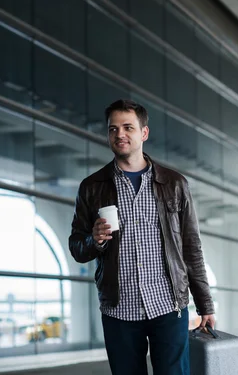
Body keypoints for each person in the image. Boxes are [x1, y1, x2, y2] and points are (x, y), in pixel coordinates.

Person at [69, 99, 215, 375]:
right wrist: (95, 239)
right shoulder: (92, 187)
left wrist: (204, 303)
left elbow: (191, 247)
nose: (119, 135)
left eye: (128, 128)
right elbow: (77, 247)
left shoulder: (174, 184)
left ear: (144, 133)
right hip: (119, 309)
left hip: (168, 306)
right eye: (113, 129)